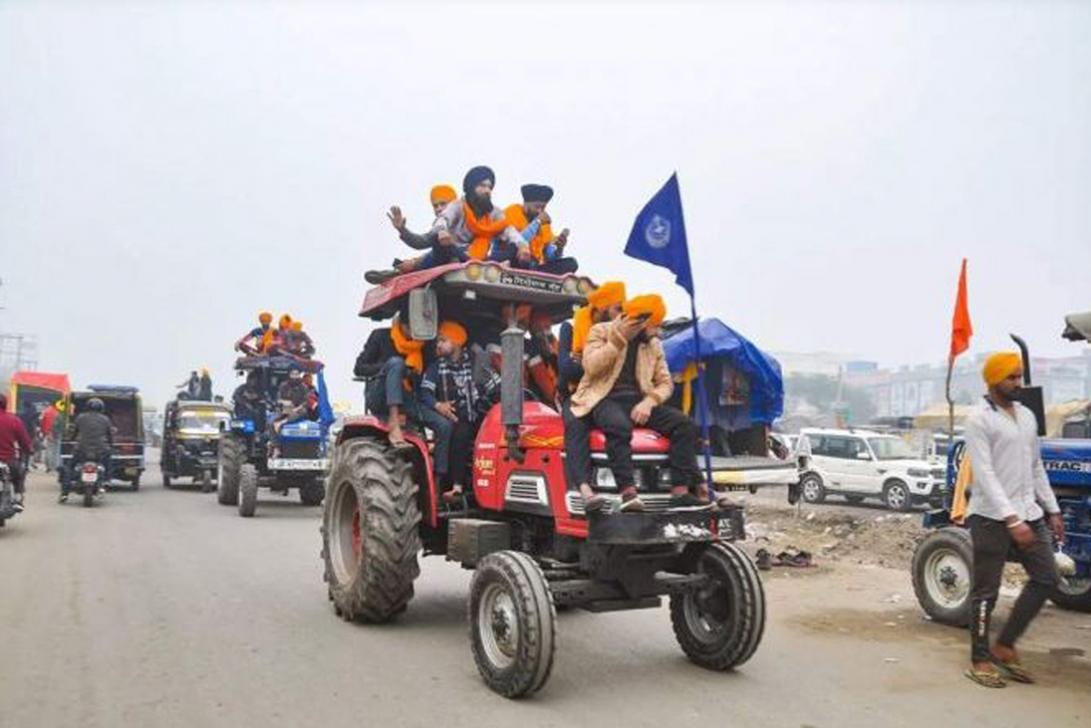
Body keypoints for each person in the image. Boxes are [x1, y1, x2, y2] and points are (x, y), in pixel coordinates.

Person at [963, 351, 1064, 689]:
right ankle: (980, 658)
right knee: (986, 591)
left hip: (1030, 512)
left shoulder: (1026, 416)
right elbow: (986, 474)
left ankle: (1005, 646)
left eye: (1020, 377)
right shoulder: (979, 419)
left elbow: (1036, 467)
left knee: (1047, 577)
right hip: (992, 517)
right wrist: (1011, 518)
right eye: (1011, 377)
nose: (1018, 383)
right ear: (993, 380)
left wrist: (1052, 509)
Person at [570, 294, 705, 512]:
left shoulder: (653, 344)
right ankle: (628, 492)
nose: (658, 332)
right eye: (655, 326)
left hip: (639, 400)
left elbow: (665, 383)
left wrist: (650, 401)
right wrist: (618, 340)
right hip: (601, 397)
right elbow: (592, 367)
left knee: (685, 425)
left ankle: (680, 490)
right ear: (638, 322)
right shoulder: (601, 331)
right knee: (618, 427)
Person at [560, 281, 627, 511]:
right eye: (617, 309)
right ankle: (584, 489)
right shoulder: (570, 327)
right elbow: (566, 369)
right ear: (602, 307)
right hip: (579, 393)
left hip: (609, 395)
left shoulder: (620, 330)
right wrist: (598, 364)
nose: (621, 314)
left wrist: (585, 362)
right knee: (575, 424)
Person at [420, 321, 500, 503]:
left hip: (478, 415)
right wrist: (438, 405)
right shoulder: (435, 367)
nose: (438, 345)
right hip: (455, 418)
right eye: (438, 341)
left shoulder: (474, 363)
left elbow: (495, 385)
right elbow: (425, 392)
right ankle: (456, 487)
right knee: (460, 432)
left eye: (443, 340)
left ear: (456, 342)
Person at [358, 314, 451, 450]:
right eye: (412, 328)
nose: (416, 334)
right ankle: (393, 423)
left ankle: (440, 470)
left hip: (408, 397)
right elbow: (359, 368)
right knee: (396, 363)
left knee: (444, 425)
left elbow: (430, 374)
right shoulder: (380, 336)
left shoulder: (424, 346)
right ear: (402, 326)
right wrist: (388, 368)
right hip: (380, 395)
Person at [365, 185, 461, 284]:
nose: (439, 209)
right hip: (442, 262)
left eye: (443, 204)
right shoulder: (439, 227)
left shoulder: (467, 222)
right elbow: (421, 242)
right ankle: (397, 273)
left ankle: (403, 271)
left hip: (468, 262)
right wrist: (402, 230)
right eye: (435, 206)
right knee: (430, 254)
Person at [493, 184, 578, 275]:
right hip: (511, 259)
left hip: (533, 266)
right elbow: (516, 243)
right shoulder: (511, 212)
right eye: (537, 207)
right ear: (525, 204)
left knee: (571, 263)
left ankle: (536, 276)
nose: (539, 211)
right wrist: (537, 223)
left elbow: (549, 256)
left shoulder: (543, 223)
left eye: (543, 208)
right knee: (518, 252)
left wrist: (559, 248)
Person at [63, 397, 114, 502]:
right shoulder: (105, 419)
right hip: (101, 450)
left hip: (81, 450)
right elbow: (110, 436)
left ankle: (65, 492)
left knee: (69, 468)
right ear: (101, 408)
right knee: (108, 461)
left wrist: (69, 440)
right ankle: (107, 479)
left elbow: (73, 433)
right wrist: (111, 444)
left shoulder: (80, 418)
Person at [0, 394, 33, 512]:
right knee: (19, 475)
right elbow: (24, 440)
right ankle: (18, 499)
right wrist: (29, 450)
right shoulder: (14, 420)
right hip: (8, 460)